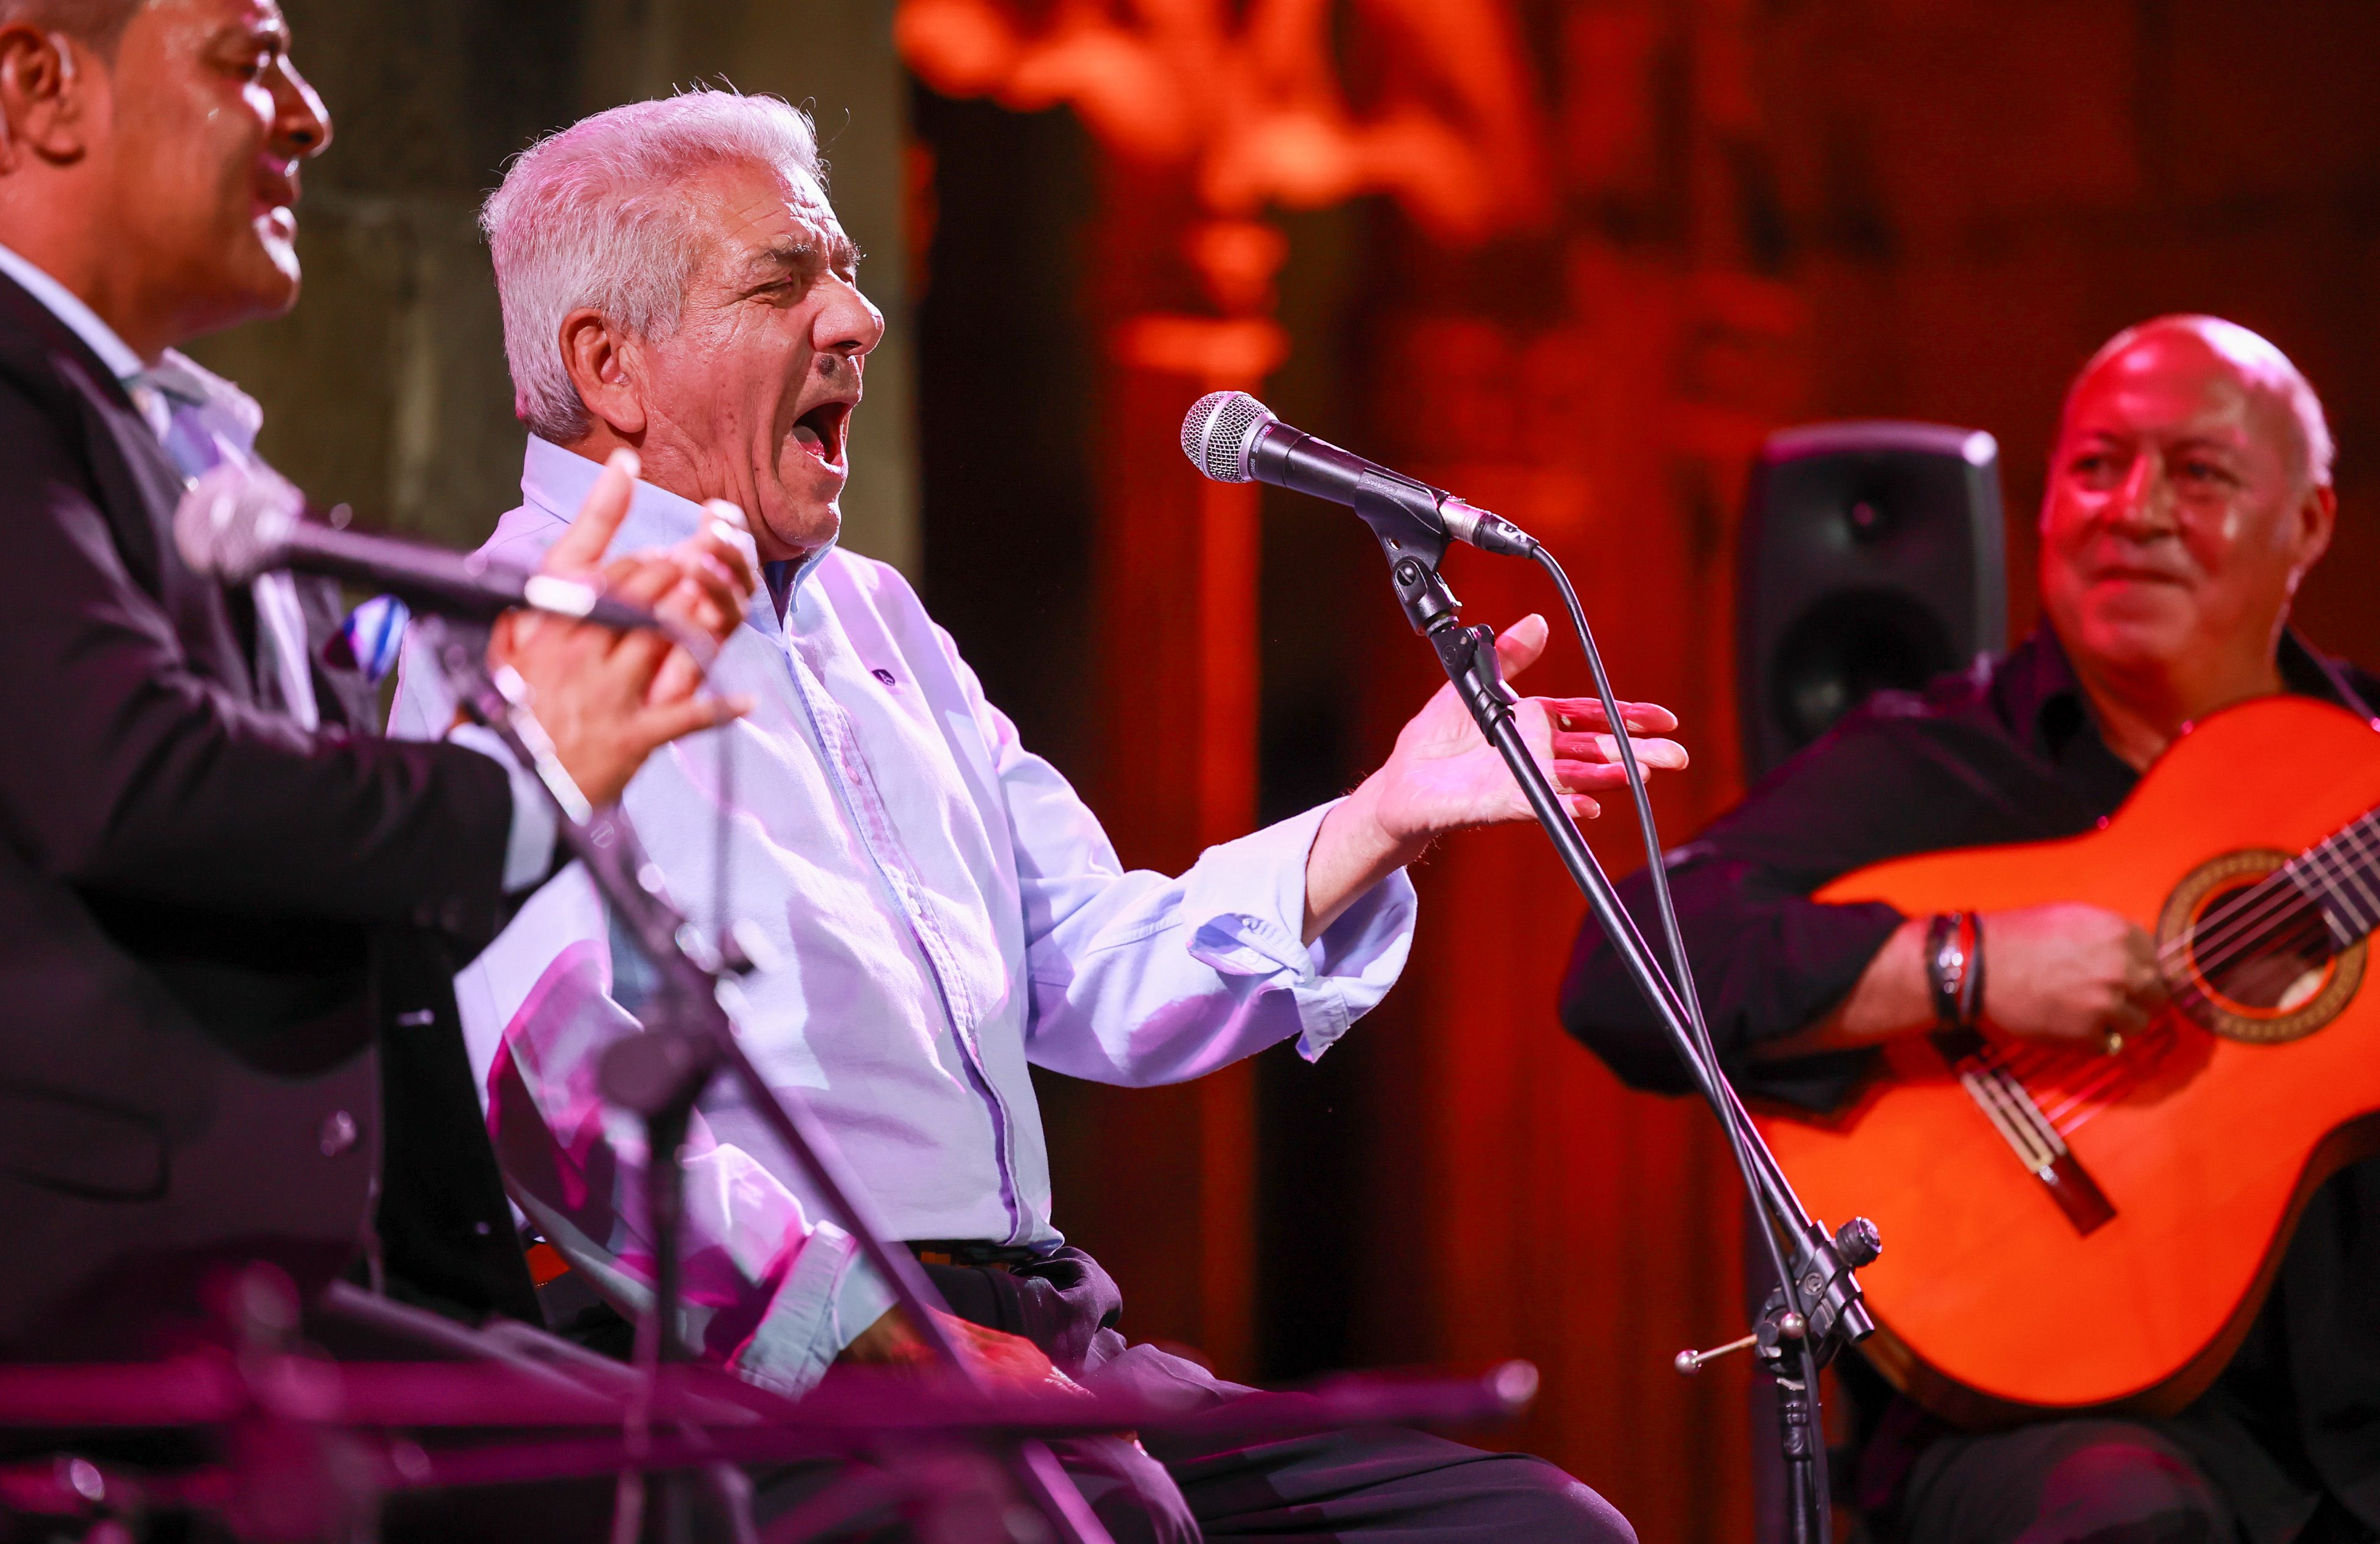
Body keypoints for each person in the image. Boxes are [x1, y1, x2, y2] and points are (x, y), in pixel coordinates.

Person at [392, 87, 1687, 1543]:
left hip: (1037, 1321)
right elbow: (558, 1104)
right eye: (781, 280)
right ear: (608, 364)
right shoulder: (499, 641)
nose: (856, 319)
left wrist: (1378, 818)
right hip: (754, 1368)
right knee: (1103, 1520)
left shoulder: (877, 620)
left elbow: (1086, 968)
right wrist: (878, 1334)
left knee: (1532, 1529)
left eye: (848, 271)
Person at [0, 0, 752, 1365]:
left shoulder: (166, 433)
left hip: (320, 1290)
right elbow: (132, 780)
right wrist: (519, 780)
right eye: (250, 60)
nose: (309, 115)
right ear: (40, 88)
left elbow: (317, 907)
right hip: (101, 1324)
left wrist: (522, 740)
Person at [1560, 315, 2378, 1544]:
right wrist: (1961, 964)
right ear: (2043, 504)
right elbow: (1622, 963)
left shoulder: (2359, 774)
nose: (2135, 510)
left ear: (2307, 524)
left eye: (2200, 473)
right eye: (2095, 465)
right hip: (2035, 1427)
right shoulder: (1936, 758)